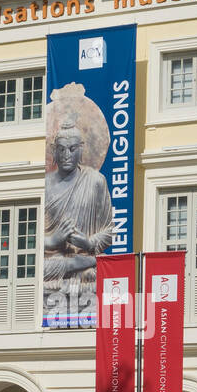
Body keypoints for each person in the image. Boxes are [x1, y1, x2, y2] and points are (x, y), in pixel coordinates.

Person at [43, 120, 113, 322]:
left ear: (81, 150)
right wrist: (52, 240)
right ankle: (81, 264)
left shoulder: (95, 181)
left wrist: (89, 243)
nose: (67, 155)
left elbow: (110, 231)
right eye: (62, 149)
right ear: (54, 151)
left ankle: (84, 263)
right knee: (41, 268)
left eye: (72, 149)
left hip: (86, 257)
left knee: (96, 268)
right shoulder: (43, 185)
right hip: (54, 260)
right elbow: (28, 239)